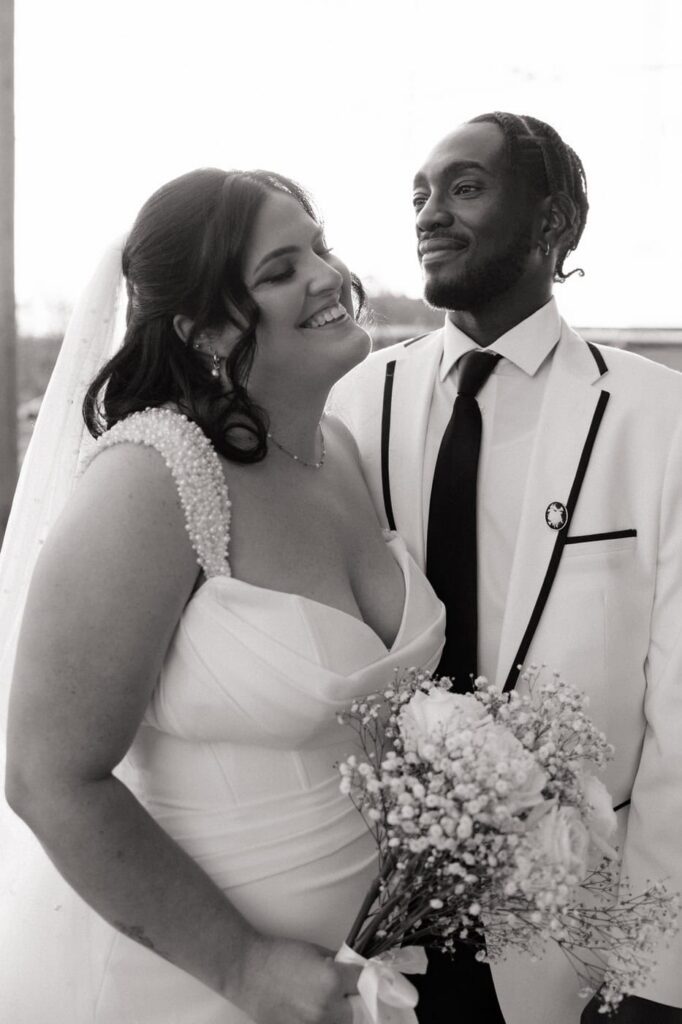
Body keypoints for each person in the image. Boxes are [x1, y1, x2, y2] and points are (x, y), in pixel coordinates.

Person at [0, 168, 445, 1023]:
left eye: (318, 246)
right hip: (198, 988)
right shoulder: (151, 476)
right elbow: (47, 777)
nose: (327, 275)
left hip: (357, 976)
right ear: (201, 328)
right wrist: (245, 968)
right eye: (281, 270)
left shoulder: (336, 448)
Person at [331, 112, 682, 1024]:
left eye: (465, 188)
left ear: (554, 221)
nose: (429, 213)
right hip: (370, 935)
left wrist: (656, 975)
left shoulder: (661, 419)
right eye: (419, 194)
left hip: (576, 943)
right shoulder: (353, 405)